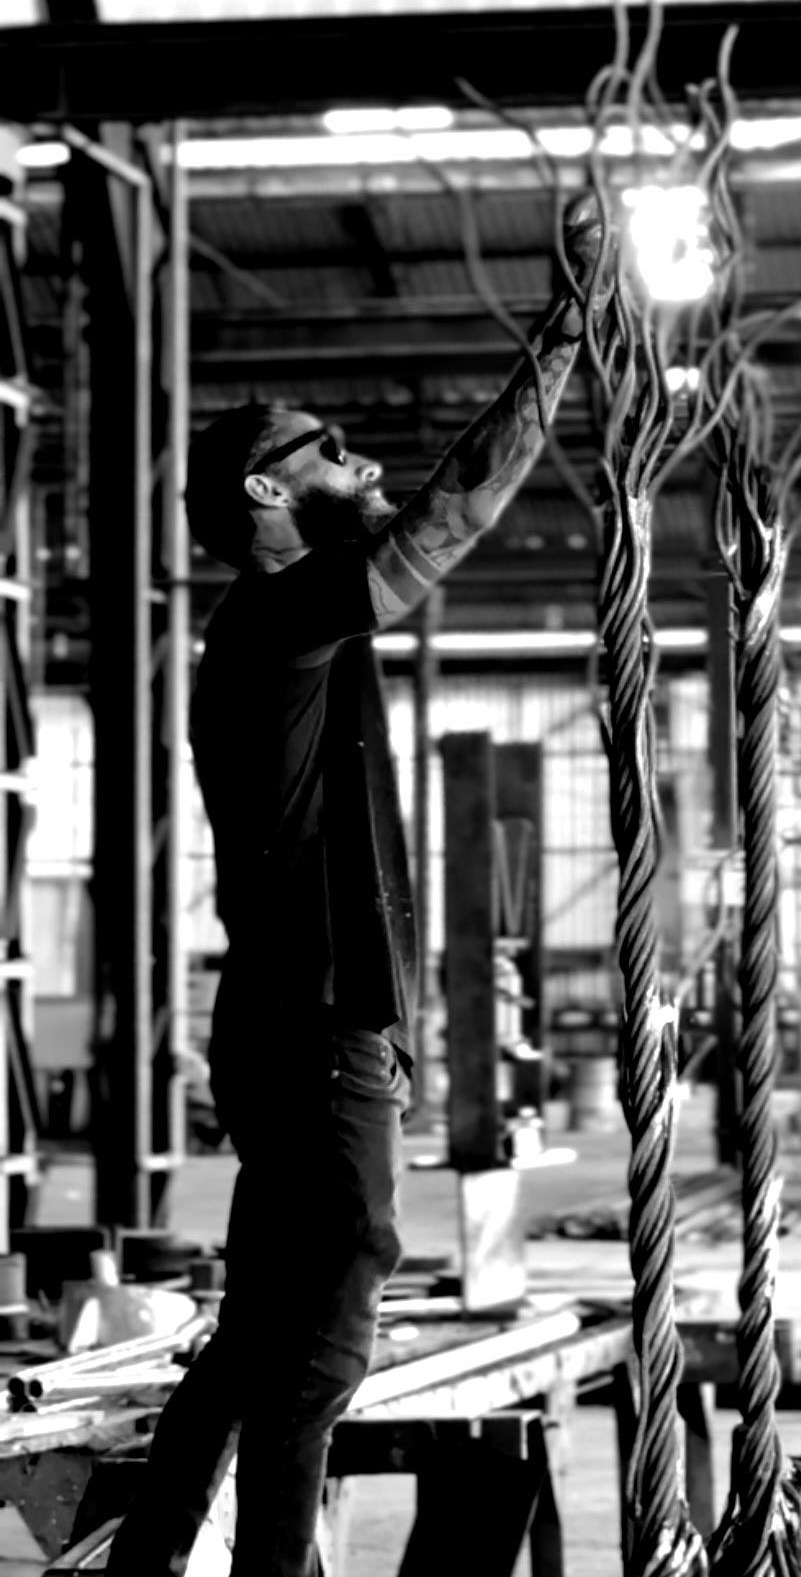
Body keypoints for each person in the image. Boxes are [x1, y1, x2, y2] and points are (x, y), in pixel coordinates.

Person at [105, 205, 604, 1577]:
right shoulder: (275, 620)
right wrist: (558, 341)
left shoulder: (281, 633)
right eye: (331, 444)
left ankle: (151, 1567)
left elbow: (411, 521)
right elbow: (446, 516)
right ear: (268, 490)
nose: (360, 456)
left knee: (259, 1335)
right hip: (317, 1035)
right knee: (327, 1330)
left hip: (293, 1026)